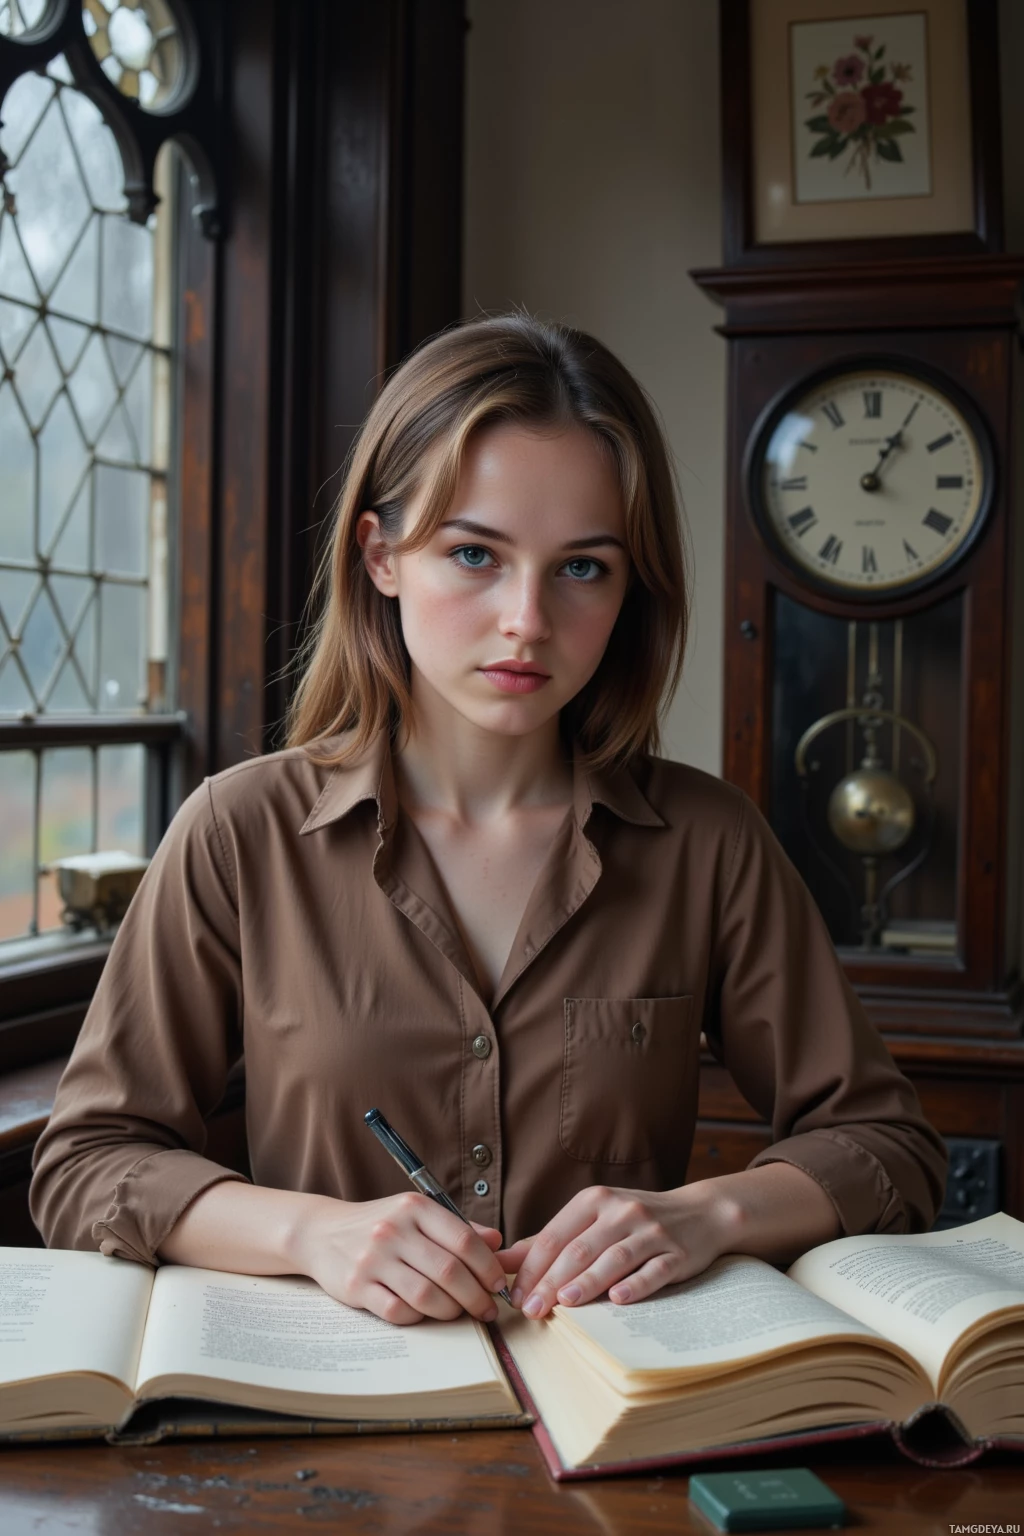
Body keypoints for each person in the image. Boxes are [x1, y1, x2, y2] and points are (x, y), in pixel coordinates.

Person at [30, 314, 947, 1330]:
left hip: (621, 1418)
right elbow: (85, 1165)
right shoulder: (239, 833)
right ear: (380, 556)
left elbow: (886, 1148)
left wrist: (704, 1214)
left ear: (629, 591)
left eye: (582, 567)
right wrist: (307, 1233)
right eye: (474, 555)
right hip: (325, 1425)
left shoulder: (707, 842)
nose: (526, 620)